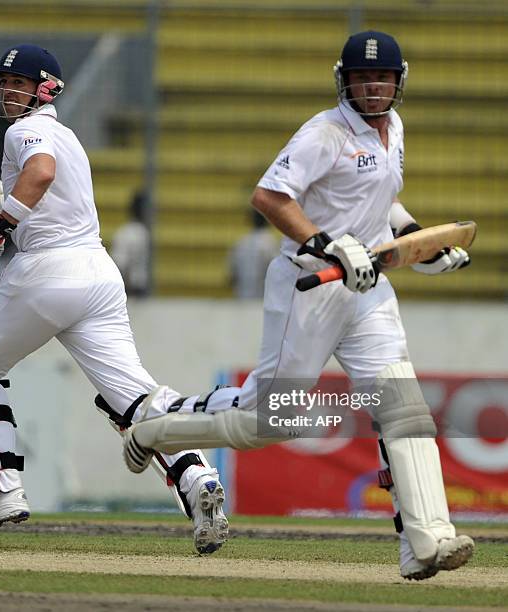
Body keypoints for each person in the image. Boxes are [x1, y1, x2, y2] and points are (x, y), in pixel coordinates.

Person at [120, 31, 474, 580]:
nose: (373, 86)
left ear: (399, 82)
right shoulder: (325, 132)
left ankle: (427, 541)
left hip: (369, 289)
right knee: (269, 420)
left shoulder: (393, 128)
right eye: (362, 77)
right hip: (309, 287)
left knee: (403, 405)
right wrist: (330, 244)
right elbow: (269, 197)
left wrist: (420, 244)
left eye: (382, 77)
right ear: (345, 80)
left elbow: (384, 202)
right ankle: (154, 428)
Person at [0, 43, 228, 554]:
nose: (7, 91)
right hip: (98, 274)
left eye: (18, 83)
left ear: (44, 88)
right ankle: (197, 478)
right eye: (3, 83)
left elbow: (40, 173)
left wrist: (0, 227)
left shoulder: (24, 131)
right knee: (134, 397)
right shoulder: (68, 135)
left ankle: (3, 492)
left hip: (47, 271)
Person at [229, 209, 279, 299]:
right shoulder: (271, 244)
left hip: (241, 299)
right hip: (263, 300)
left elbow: (231, 277)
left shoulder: (241, 243)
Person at [110, 190, 150, 297]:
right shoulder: (126, 233)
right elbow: (120, 264)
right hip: (131, 290)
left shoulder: (142, 232)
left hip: (140, 288)